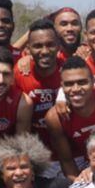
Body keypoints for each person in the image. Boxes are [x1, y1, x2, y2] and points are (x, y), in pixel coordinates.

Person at [46, 57, 95, 180]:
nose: (75, 89)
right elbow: (67, 161)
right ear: (62, 86)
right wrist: (81, 186)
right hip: (87, 166)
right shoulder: (55, 118)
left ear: (93, 82)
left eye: (82, 82)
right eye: (69, 84)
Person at [14, 18, 64, 149]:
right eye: (38, 46)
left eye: (50, 44)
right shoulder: (18, 74)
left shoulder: (69, 71)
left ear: (58, 46)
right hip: (34, 152)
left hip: (68, 151)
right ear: (28, 49)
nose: (45, 51)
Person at [0, 47, 30, 135]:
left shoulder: (23, 103)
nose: (0, 80)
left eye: (6, 74)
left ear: (12, 76)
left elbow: (22, 145)